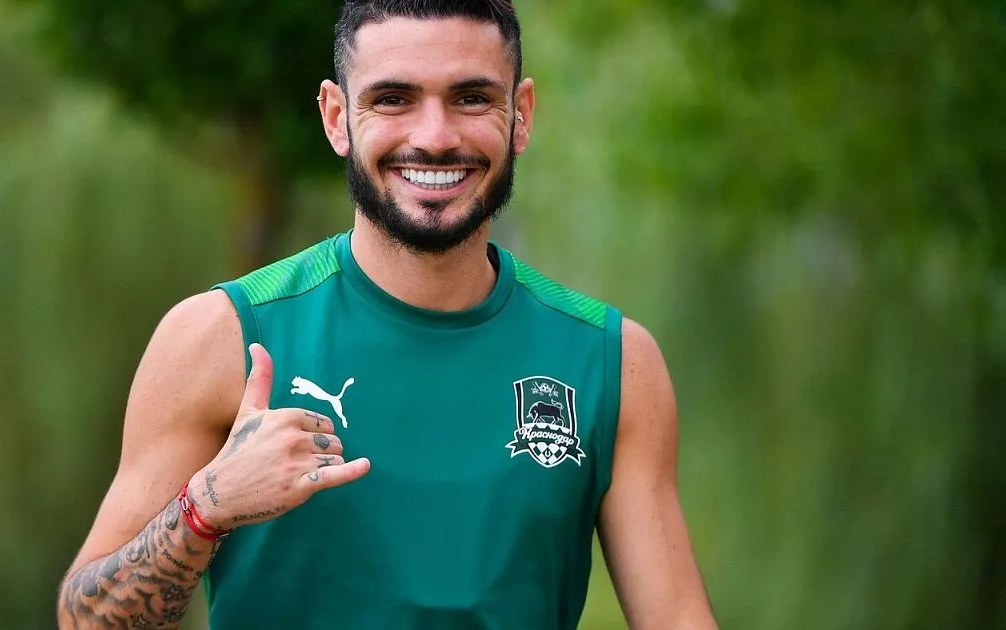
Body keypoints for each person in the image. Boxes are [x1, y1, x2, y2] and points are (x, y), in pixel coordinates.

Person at [57, 1, 718, 628]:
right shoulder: (218, 337)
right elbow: (84, 621)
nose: (434, 138)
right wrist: (206, 508)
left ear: (521, 115)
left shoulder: (612, 361)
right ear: (336, 117)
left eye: (471, 98)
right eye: (393, 99)